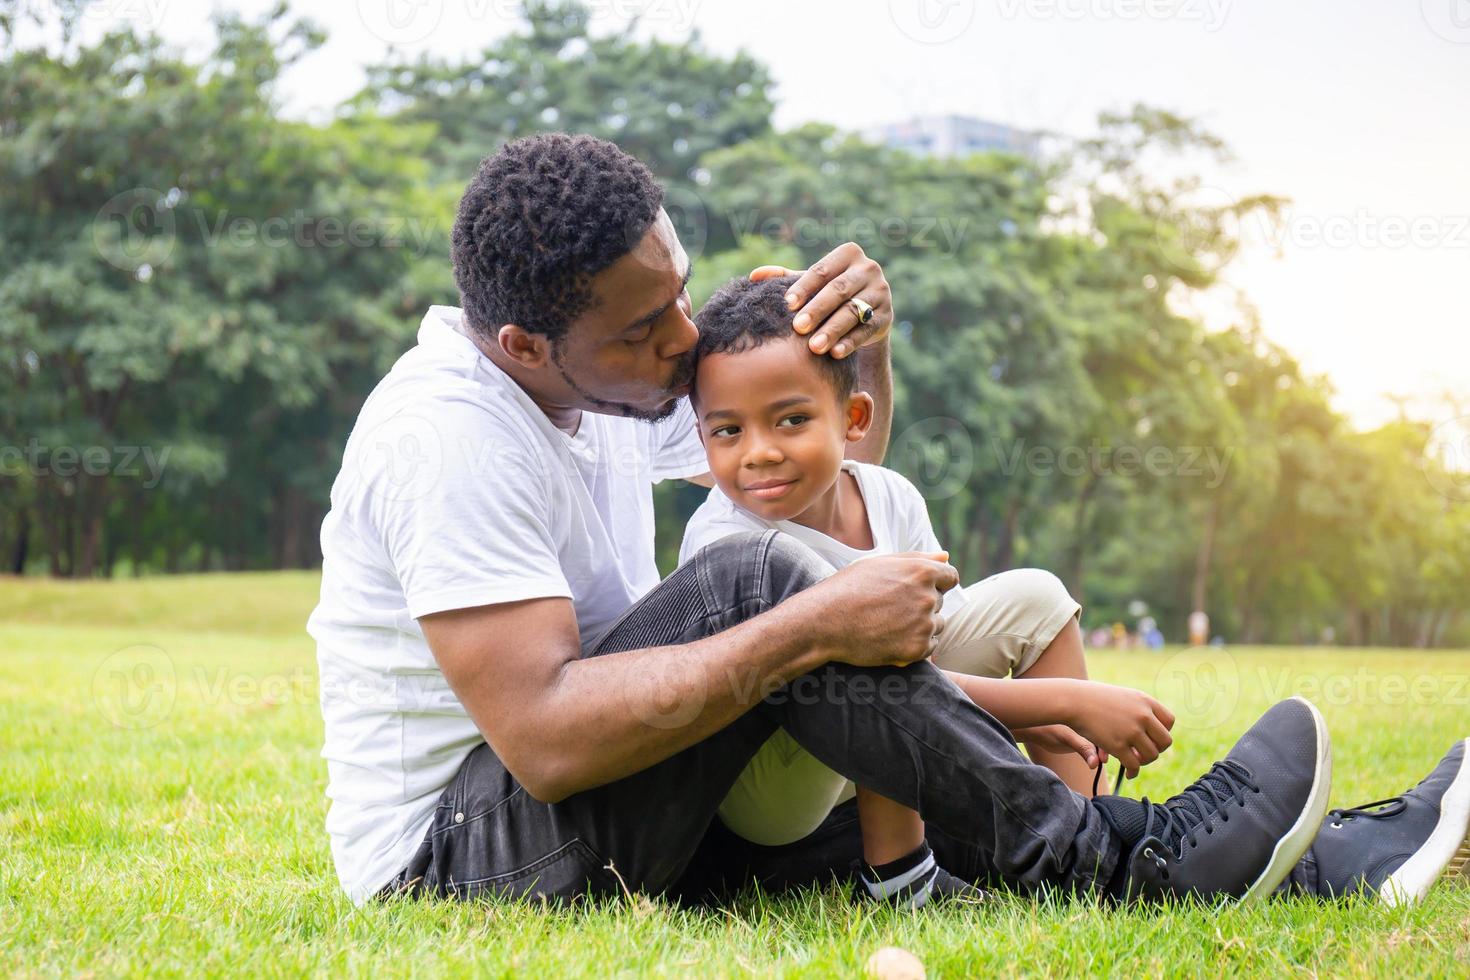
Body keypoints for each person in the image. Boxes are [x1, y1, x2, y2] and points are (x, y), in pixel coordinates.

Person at [307, 133, 1470, 910]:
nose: (682, 341)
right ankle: (1129, 858)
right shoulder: (446, 437)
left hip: (629, 799)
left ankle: (1345, 856)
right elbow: (548, 735)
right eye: (645, 328)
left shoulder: (603, 373)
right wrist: (815, 624)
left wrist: (862, 342)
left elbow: (831, 454)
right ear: (524, 345)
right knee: (763, 585)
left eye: (678, 294)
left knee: (806, 620)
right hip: (465, 857)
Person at [677, 274, 1176, 907]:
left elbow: (930, 658)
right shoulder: (728, 541)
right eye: (728, 432)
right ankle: (901, 879)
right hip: (769, 784)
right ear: (703, 436)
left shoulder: (890, 498)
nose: (759, 453)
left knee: (1036, 598)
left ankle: (1088, 836)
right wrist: (1068, 701)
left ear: (854, 418)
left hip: (865, 717)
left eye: (792, 420)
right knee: (876, 639)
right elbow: (899, 683)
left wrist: (1051, 711)